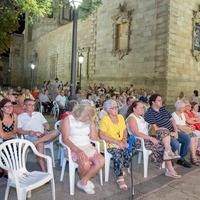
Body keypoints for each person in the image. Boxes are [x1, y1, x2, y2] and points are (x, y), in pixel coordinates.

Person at [126, 101, 181, 178]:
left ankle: (168, 151)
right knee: (162, 146)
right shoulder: (131, 118)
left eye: (143, 107)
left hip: (146, 137)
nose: (142, 109)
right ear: (134, 109)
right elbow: (136, 133)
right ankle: (170, 168)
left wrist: (160, 129)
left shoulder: (140, 117)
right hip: (138, 141)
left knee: (165, 131)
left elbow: (149, 128)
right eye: (140, 108)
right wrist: (151, 138)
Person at [61, 104, 104, 195]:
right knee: (85, 164)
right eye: (86, 118)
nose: (87, 120)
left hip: (87, 146)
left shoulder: (89, 120)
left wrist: (92, 124)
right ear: (81, 115)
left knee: (101, 161)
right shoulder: (68, 120)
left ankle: (83, 181)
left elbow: (93, 138)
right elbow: (65, 139)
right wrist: (78, 151)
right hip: (72, 147)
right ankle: (84, 181)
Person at [144, 94, 192, 168]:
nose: (161, 101)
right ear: (153, 102)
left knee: (187, 139)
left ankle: (181, 159)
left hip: (172, 131)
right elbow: (154, 128)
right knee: (175, 144)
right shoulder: (149, 113)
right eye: (159, 100)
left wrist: (175, 131)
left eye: (161, 100)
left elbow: (172, 120)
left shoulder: (163, 109)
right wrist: (170, 133)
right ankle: (167, 158)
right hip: (162, 135)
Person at [17, 98, 60, 172]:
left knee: (57, 131)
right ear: (24, 106)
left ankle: (36, 142)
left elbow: (46, 124)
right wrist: (28, 132)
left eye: (33, 105)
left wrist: (46, 130)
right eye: (30, 105)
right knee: (40, 144)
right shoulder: (20, 117)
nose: (32, 107)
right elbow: (19, 130)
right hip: (31, 136)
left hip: (43, 134)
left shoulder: (38, 114)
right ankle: (44, 170)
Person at [98, 100, 132, 190]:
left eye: (116, 107)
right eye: (112, 108)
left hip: (120, 141)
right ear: (107, 110)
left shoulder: (120, 117)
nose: (115, 109)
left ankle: (119, 167)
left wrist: (124, 140)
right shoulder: (105, 120)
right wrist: (117, 142)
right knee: (118, 152)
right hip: (108, 143)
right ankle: (120, 177)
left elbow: (125, 131)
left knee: (130, 149)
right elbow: (101, 135)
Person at [172, 100, 200, 166]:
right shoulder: (174, 115)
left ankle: (193, 155)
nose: (184, 109)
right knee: (192, 139)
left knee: (195, 138)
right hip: (179, 132)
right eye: (183, 107)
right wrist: (189, 128)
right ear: (178, 108)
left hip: (186, 130)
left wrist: (189, 126)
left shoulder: (182, 114)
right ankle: (193, 158)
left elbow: (184, 124)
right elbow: (178, 126)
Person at [0, 99, 18, 178]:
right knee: (3, 147)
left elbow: (15, 130)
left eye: (11, 106)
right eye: (6, 106)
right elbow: (2, 136)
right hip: (1, 140)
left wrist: (8, 134)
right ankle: (2, 169)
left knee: (15, 149)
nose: (10, 108)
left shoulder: (14, 116)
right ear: (2, 108)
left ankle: (7, 169)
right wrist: (10, 134)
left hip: (11, 139)